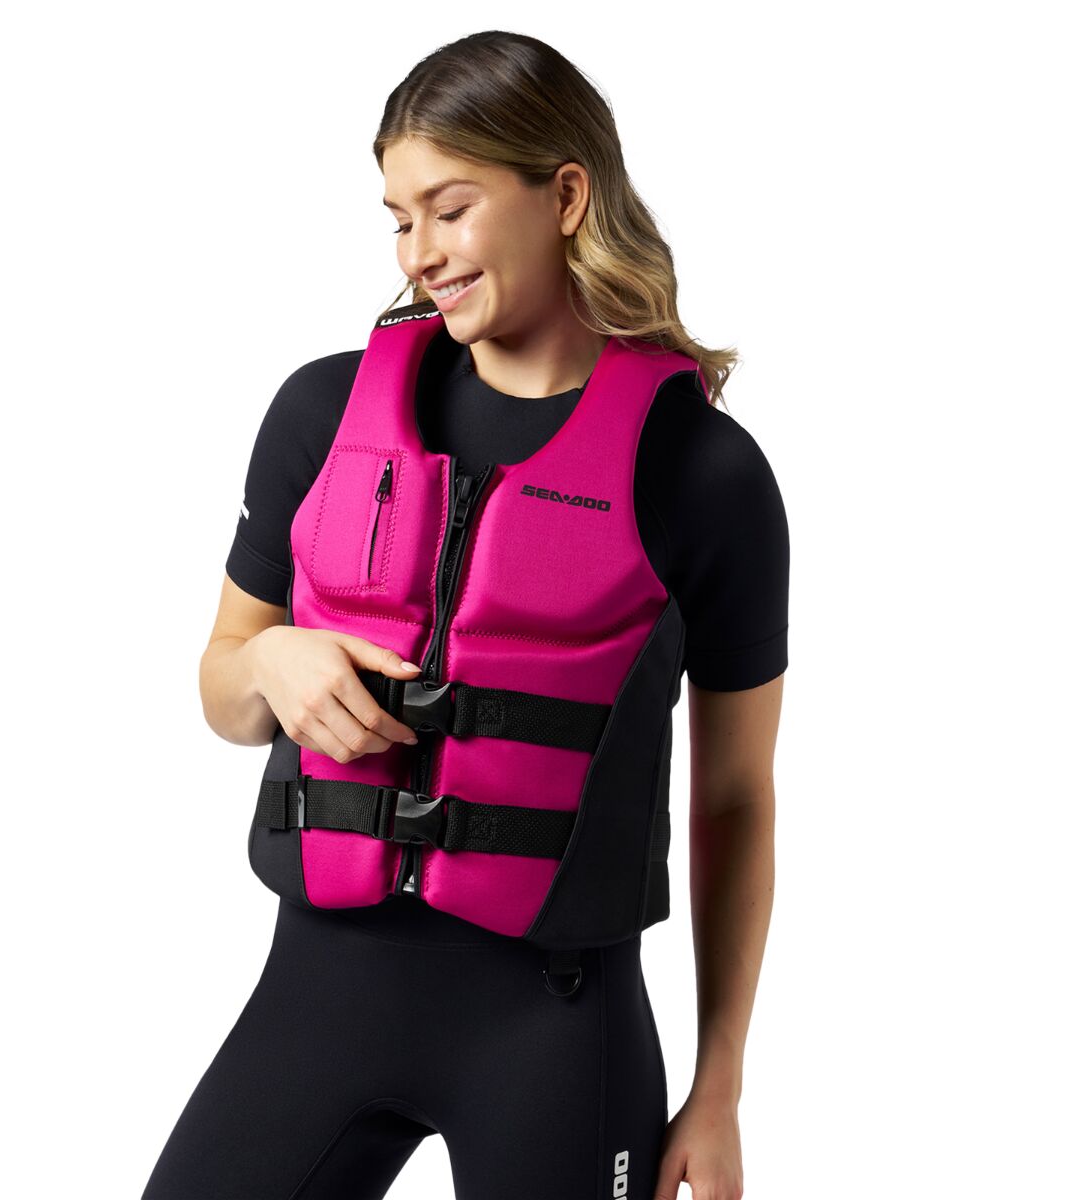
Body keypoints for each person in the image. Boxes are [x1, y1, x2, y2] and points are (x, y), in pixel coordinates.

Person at [141, 30, 787, 1200]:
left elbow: (736, 796)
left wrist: (722, 1085)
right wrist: (272, 658)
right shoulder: (321, 415)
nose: (420, 253)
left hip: (557, 1034)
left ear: (566, 196)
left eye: (451, 209)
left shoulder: (703, 472)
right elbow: (223, 686)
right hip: (318, 994)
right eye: (399, 220)